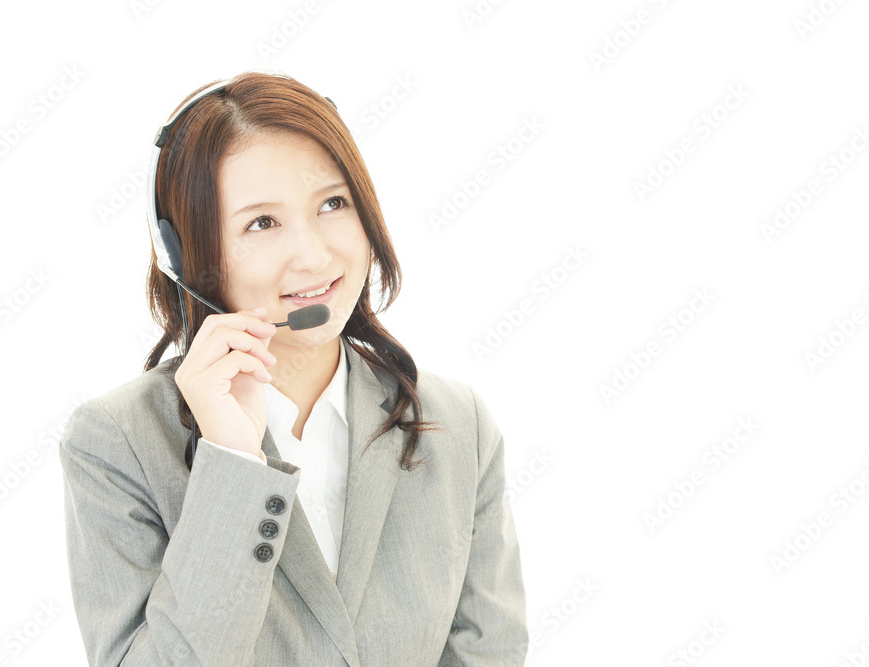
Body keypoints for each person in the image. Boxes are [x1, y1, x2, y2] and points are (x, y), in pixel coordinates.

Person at [59, 69, 528, 666]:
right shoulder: (117, 441)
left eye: (333, 203)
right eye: (262, 222)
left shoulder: (458, 423)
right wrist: (232, 465)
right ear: (188, 255)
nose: (313, 255)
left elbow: (490, 651)